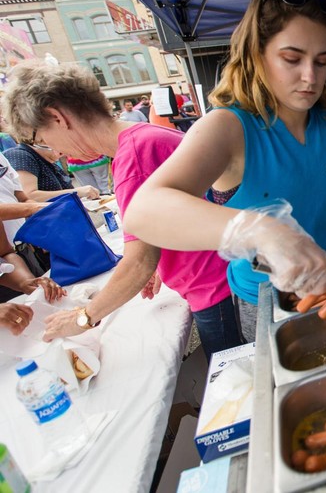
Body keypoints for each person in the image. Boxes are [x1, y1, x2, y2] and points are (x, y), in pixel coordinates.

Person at [122, 0, 326, 343]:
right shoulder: (228, 126)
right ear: (257, 54)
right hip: (271, 302)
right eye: (292, 59)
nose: (310, 77)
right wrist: (259, 229)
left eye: (321, 61)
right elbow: (143, 211)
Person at [1, 60, 243, 360]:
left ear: (57, 117)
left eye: (41, 138)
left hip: (215, 288)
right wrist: (158, 256)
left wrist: (82, 317)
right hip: (219, 282)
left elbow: (138, 263)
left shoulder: (135, 157)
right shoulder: (139, 139)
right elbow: (176, 219)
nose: (56, 151)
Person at [4, 141, 99, 202]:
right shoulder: (21, 155)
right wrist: (76, 192)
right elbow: (29, 196)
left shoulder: (46, 159)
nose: (61, 153)